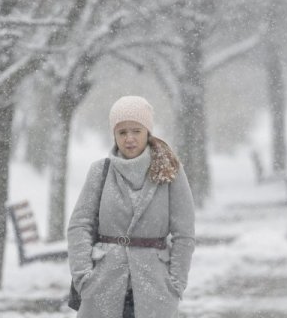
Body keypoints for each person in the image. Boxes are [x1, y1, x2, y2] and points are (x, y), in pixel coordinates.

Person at [67, 95, 195, 318]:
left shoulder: (169, 171)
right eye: (122, 132)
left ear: (147, 131)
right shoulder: (100, 172)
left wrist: (176, 284)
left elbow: (184, 233)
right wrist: (83, 277)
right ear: (114, 135)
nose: (129, 139)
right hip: (102, 286)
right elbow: (79, 226)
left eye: (136, 130)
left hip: (155, 288)